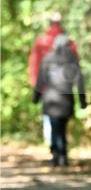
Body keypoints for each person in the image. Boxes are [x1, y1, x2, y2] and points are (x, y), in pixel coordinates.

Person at [33, 34, 87, 166]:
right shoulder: (72, 60)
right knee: (61, 128)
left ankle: (57, 154)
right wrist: (82, 101)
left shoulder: (48, 59)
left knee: (55, 127)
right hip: (66, 100)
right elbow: (80, 82)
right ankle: (62, 155)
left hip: (51, 100)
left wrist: (36, 97)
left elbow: (40, 82)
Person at [28, 12, 80, 147]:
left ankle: (54, 148)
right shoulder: (69, 42)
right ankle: (59, 149)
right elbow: (76, 66)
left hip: (47, 88)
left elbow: (34, 64)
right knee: (62, 121)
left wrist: (37, 87)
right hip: (65, 88)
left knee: (51, 119)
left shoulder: (41, 40)